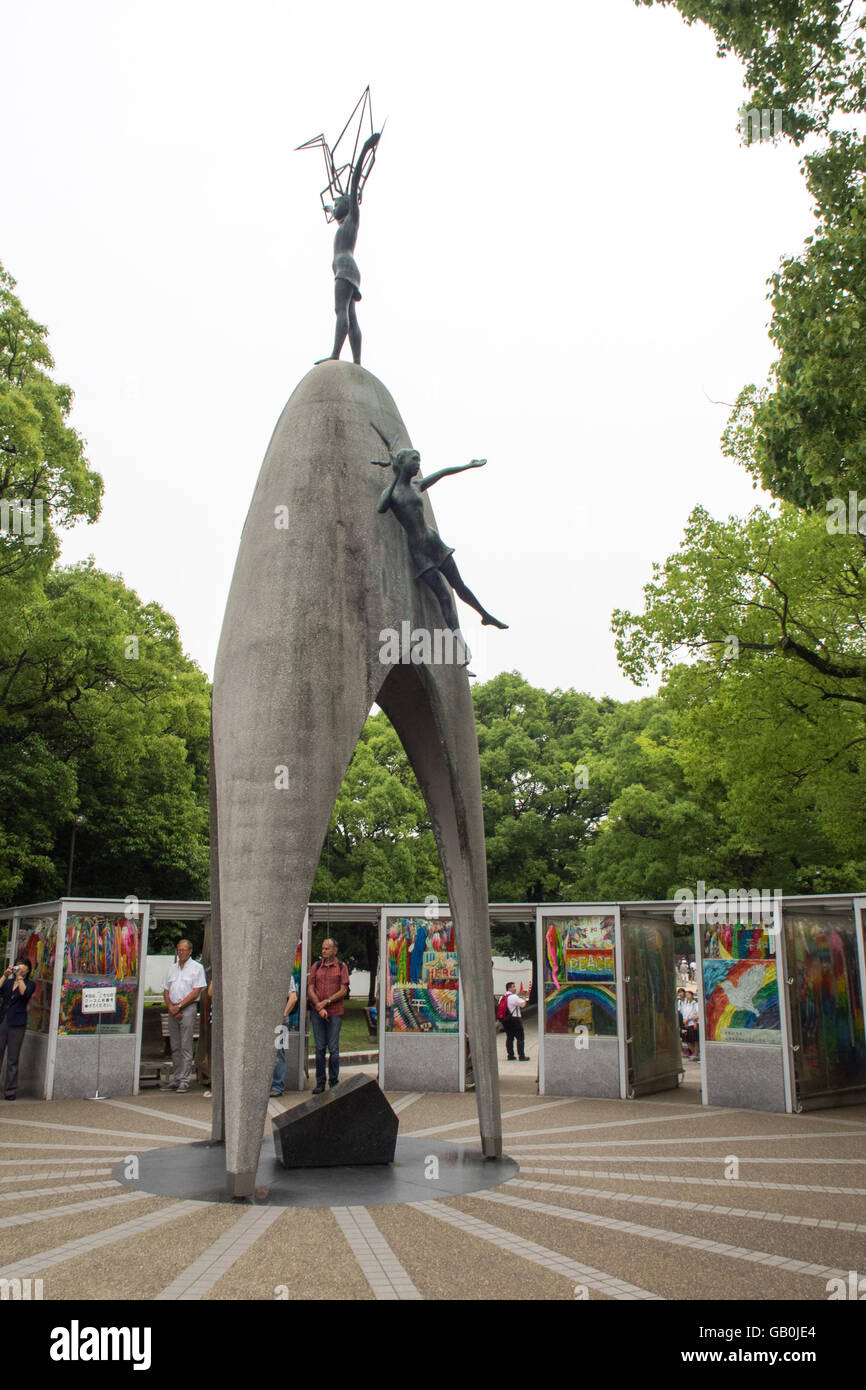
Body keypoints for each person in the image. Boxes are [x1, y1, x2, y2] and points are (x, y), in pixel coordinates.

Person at [371, 436, 508, 634]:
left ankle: (485, 615)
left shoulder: (418, 486)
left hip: (434, 542)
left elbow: (443, 473)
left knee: (458, 585)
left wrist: (468, 466)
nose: (418, 465)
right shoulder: (392, 494)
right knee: (443, 596)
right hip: (419, 551)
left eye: (419, 460)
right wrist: (395, 475)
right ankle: (459, 641)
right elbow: (381, 507)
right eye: (414, 460)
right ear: (401, 463)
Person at [322, 131, 380, 364]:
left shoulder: (353, 218)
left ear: (348, 205)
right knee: (352, 317)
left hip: (345, 268)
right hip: (346, 269)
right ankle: (356, 361)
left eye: (337, 204)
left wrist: (365, 148)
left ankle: (336, 354)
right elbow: (331, 210)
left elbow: (355, 180)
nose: (334, 207)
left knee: (341, 311)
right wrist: (330, 208)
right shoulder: (344, 222)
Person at [307, 938, 349, 1094]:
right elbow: (310, 988)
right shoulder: (316, 966)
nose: (323, 951)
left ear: (334, 950)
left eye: (327, 948)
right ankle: (320, 1082)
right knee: (319, 1048)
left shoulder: (341, 966)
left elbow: (343, 990)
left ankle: (333, 1080)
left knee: (333, 1048)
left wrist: (326, 1002)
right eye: (323, 948)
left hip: (335, 1013)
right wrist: (319, 1006)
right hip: (318, 1013)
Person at [163, 940, 206, 1093]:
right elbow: (166, 989)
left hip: (187, 1008)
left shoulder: (197, 968)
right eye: (179, 950)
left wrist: (180, 1006)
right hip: (173, 1008)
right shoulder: (172, 969)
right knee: (175, 1046)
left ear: (190, 952)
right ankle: (176, 1077)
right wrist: (171, 1007)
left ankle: (184, 1080)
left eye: (183, 950)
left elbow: (196, 991)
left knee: (185, 1045)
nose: (180, 953)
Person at [0, 959, 35, 1100]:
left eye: (24, 966)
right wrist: (4, 975)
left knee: (12, 1058)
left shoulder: (30, 984)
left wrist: (20, 978)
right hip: (3, 1020)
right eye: (18, 964)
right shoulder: (8, 983)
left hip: (18, 1023)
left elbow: (25, 994)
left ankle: (10, 1091)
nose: (20, 967)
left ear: (27, 970)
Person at [270, 976, 299, 1097]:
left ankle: (277, 1086)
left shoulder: (287, 976)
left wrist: (283, 1014)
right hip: (265, 1022)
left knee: (278, 1053)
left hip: (281, 1022)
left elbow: (293, 998)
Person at [501, 981, 530, 1062]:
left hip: (506, 1020)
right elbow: (523, 1004)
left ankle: (510, 1055)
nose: (515, 988)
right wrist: (524, 996)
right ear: (509, 988)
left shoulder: (503, 997)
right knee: (520, 1038)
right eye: (513, 986)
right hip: (515, 1019)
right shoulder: (513, 997)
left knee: (509, 1037)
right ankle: (521, 1056)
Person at [681, 989, 699, 1061]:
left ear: (692, 995)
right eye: (686, 995)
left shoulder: (695, 1004)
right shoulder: (686, 1004)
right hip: (687, 1024)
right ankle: (694, 1053)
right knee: (687, 1040)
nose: (687, 996)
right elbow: (684, 1013)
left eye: (688, 995)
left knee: (695, 1040)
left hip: (692, 1023)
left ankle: (696, 1054)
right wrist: (684, 1021)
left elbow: (696, 1013)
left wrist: (690, 1020)